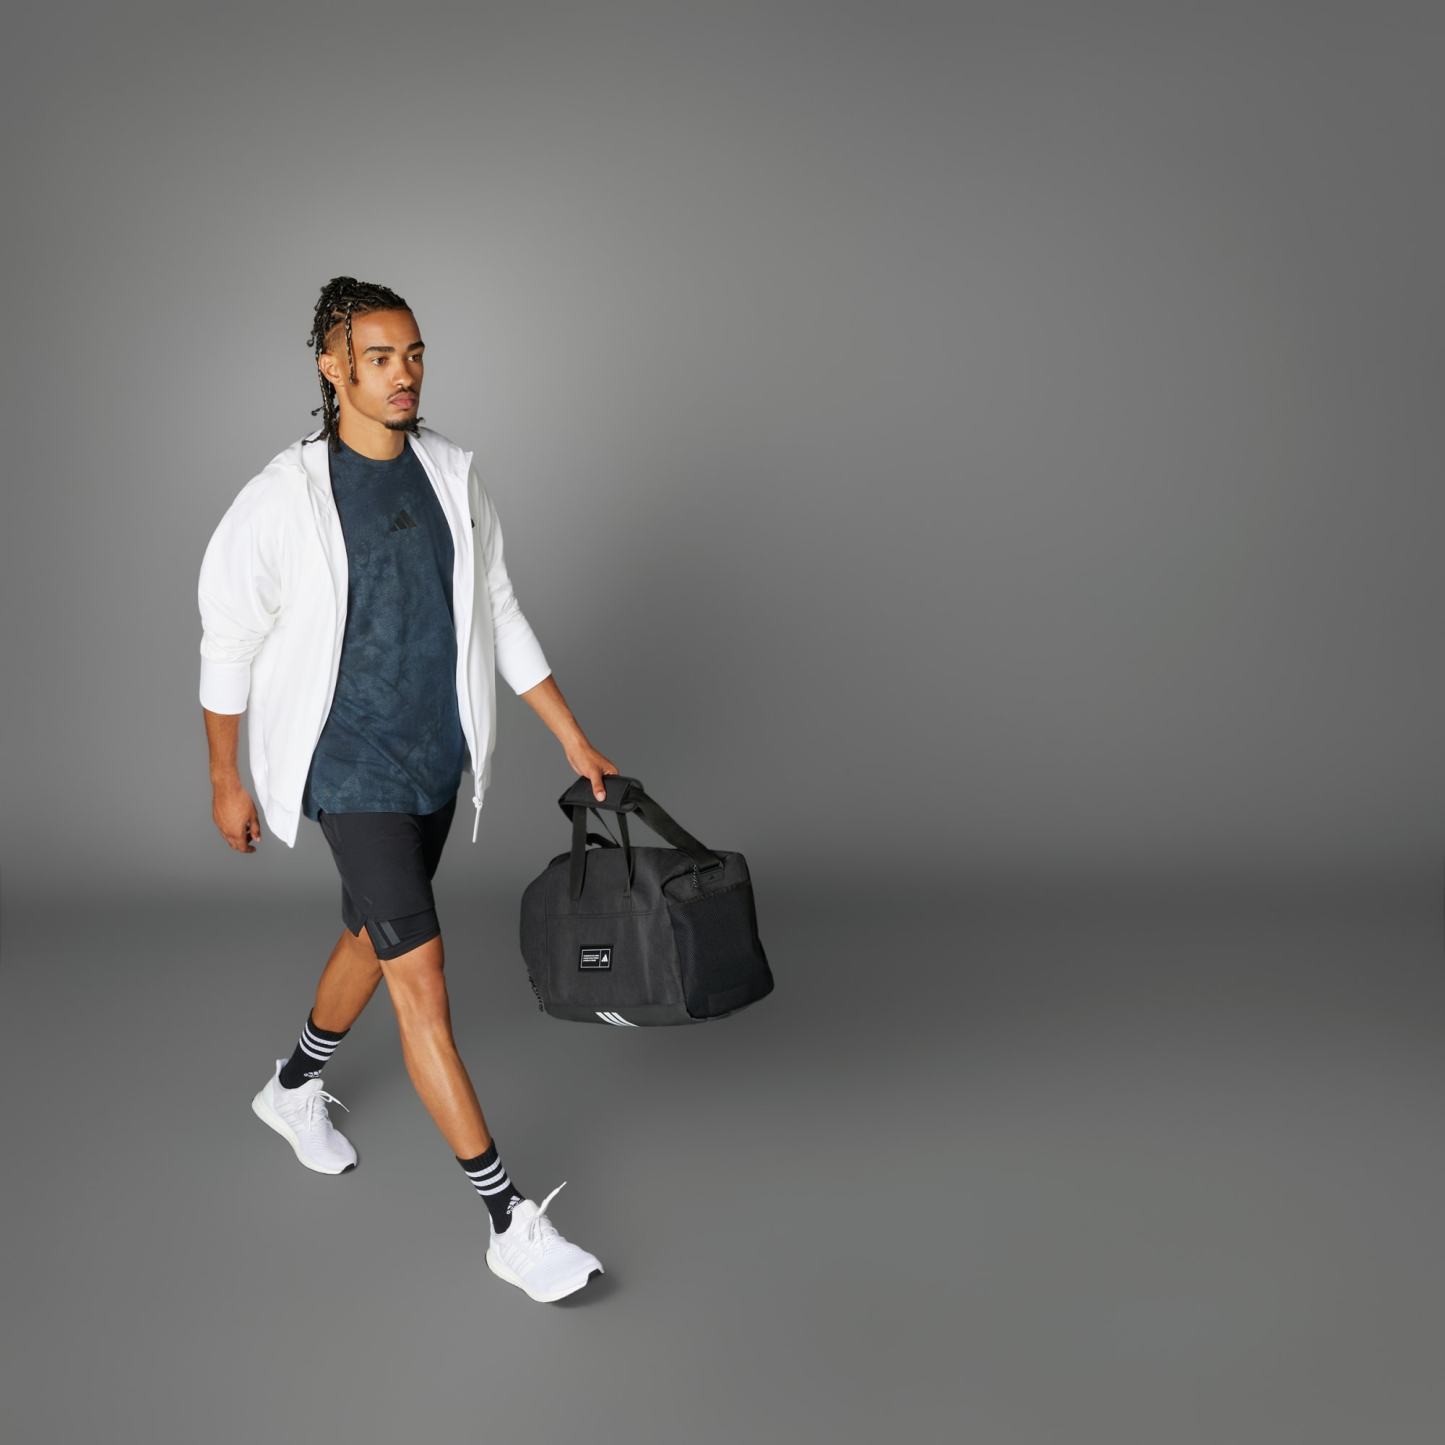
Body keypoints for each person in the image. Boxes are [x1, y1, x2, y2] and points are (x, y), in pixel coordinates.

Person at [197, 276, 613, 1303]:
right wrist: (225, 778)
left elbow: (498, 608)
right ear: (331, 365)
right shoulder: (284, 496)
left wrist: (571, 737)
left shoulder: (450, 475)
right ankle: (508, 1219)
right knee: (419, 979)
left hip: (434, 761)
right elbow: (228, 637)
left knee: (368, 935)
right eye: (379, 357)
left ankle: (293, 1085)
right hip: (349, 767)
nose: (403, 374)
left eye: (414, 354)